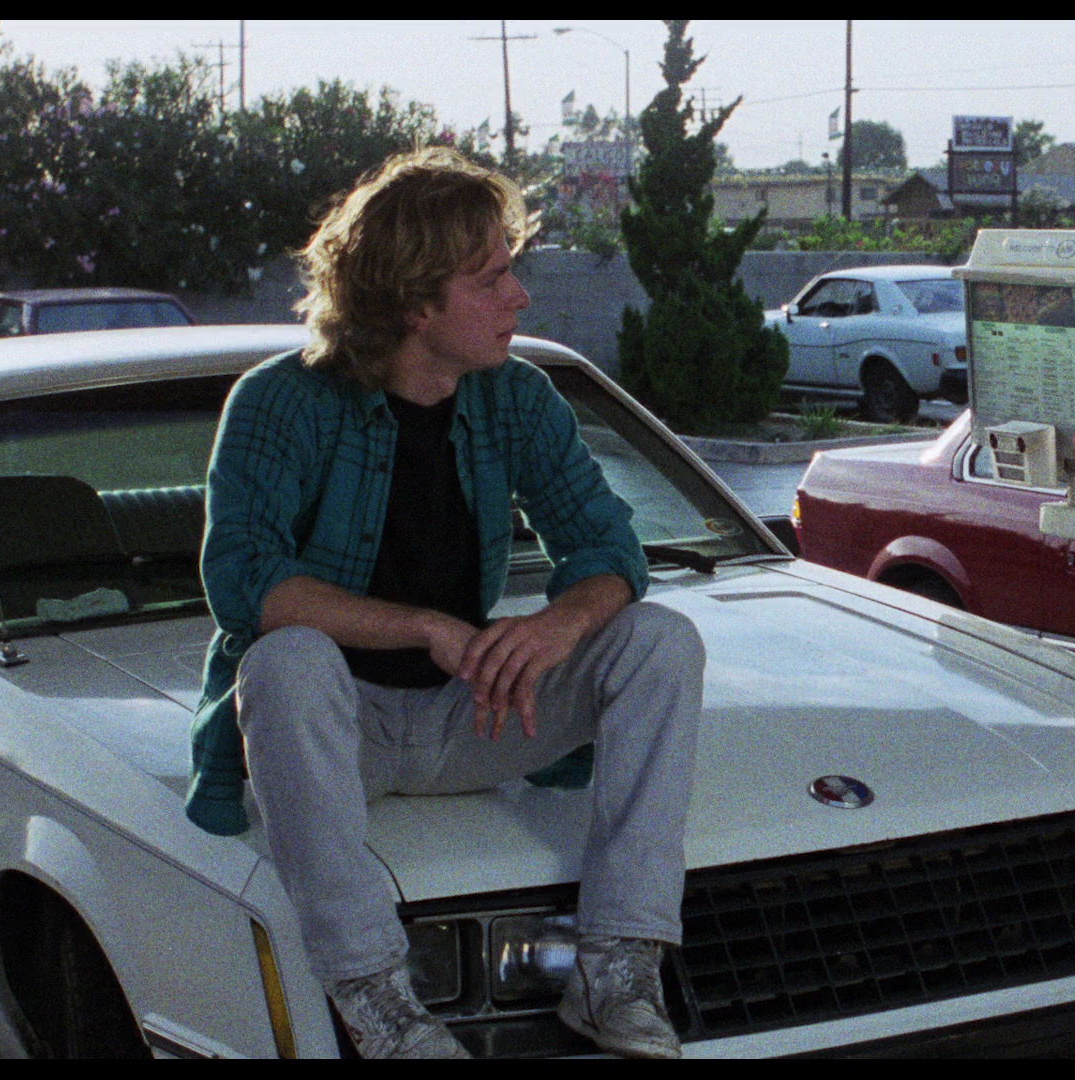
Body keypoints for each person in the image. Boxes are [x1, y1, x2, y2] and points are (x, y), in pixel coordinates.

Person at [185, 148, 703, 1059]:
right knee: (284, 659)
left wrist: (557, 625)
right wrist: (425, 626)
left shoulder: (516, 396)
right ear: (413, 303)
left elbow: (609, 548)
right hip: (338, 733)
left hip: (479, 714)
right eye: (491, 278)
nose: (519, 297)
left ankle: (617, 970)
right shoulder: (278, 403)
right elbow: (244, 581)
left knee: (659, 639)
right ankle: (379, 1004)